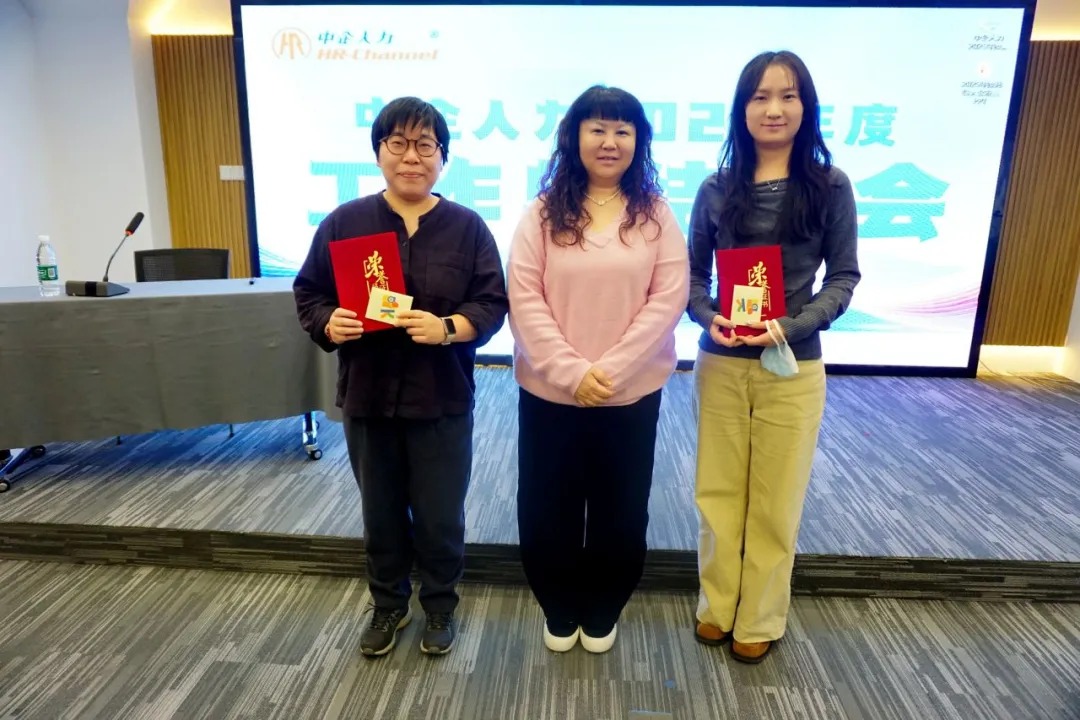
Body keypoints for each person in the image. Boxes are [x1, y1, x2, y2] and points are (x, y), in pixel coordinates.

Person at [293, 96, 508, 658]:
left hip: (441, 398)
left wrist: (449, 327)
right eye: (398, 143)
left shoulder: (467, 227)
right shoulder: (345, 223)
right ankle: (388, 603)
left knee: (440, 514)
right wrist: (328, 321)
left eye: (425, 145)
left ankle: (439, 604)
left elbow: (491, 303)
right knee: (381, 514)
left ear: (443, 157)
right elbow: (309, 292)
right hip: (369, 397)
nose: (412, 157)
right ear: (379, 152)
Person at [688, 51, 860, 664]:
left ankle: (759, 615)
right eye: (760, 97)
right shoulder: (716, 188)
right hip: (721, 361)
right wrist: (709, 317)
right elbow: (693, 279)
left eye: (788, 96)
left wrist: (791, 326)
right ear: (742, 109)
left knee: (776, 498)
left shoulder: (831, 186)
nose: (774, 109)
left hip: (794, 364)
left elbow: (843, 278)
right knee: (717, 493)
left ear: (806, 107)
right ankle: (717, 605)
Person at [507, 85, 690, 654]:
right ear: (575, 137)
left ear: (639, 141)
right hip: (550, 394)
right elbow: (524, 297)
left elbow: (668, 299)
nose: (610, 142)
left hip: (630, 395)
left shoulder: (656, 214)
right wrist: (571, 373)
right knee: (547, 508)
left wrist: (608, 371)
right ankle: (559, 607)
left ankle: (605, 605)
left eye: (622, 131)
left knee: (621, 510)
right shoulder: (542, 213)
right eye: (598, 129)